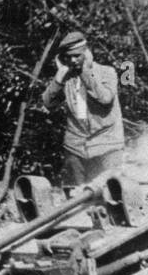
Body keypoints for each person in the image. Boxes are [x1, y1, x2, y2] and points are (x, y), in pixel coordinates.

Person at [42, 31, 125, 188]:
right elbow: (48, 103)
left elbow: (105, 98)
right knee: (75, 196)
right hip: (76, 147)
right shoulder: (66, 78)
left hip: (107, 145)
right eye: (68, 56)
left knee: (110, 195)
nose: (73, 60)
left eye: (77, 55)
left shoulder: (107, 72)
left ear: (86, 53)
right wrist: (58, 79)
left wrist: (86, 72)